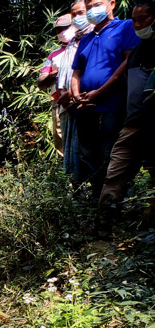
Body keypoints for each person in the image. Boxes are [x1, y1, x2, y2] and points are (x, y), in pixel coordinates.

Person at [71, 0, 142, 192]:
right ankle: (96, 199)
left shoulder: (125, 27)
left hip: (112, 104)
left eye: (98, 4)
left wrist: (101, 92)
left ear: (112, 4)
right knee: (87, 154)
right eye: (90, 5)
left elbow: (128, 61)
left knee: (109, 153)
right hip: (85, 107)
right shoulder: (86, 38)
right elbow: (76, 72)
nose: (93, 9)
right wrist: (77, 96)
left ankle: (115, 200)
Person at [99, 0, 154, 222]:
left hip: (152, 123)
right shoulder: (136, 53)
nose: (138, 25)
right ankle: (105, 220)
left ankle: (149, 226)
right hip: (132, 123)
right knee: (116, 171)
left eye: (144, 19)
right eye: (135, 20)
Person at [39, 14, 80, 157]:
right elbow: (41, 82)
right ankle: (69, 172)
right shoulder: (53, 55)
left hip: (80, 98)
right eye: (58, 30)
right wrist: (53, 74)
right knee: (61, 138)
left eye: (65, 28)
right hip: (58, 102)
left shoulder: (84, 46)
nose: (61, 32)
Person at [62, 1, 93, 178]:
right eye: (74, 14)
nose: (78, 18)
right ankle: (78, 195)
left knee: (90, 151)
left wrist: (73, 95)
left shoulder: (94, 38)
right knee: (73, 153)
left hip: (86, 101)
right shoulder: (73, 41)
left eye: (82, 12)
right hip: (68, 106)